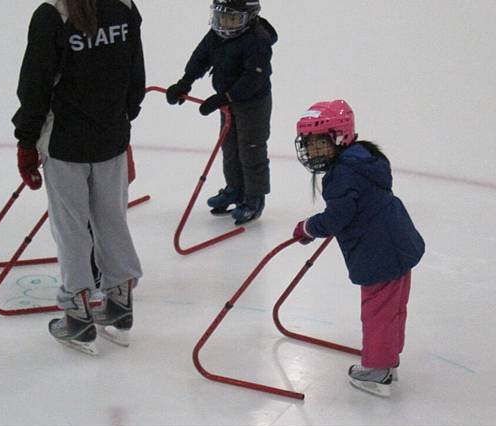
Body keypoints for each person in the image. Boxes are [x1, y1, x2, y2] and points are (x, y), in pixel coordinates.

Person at [12, 0, 145, 354]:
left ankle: (78, 315)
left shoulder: (52, 15)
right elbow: (136, 75)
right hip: (111, 138)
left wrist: (26, 141)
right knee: (112, 220)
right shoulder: (124, 7)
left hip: (66, 143)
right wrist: (121, 117)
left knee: (71, 228)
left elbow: (35, 86)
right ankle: (118, 306)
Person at [292, 100, 425, 397]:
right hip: (397, 241)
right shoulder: (364, 158)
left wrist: (308, 227)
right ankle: (387, 360)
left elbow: (338, 217)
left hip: (378, 251)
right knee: (392, 309)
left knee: (377, 311)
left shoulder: (342, 175)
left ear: (339, 138)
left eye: (318, 144)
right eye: (308, 144)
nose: (311, 152)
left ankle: (377, 371)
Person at [165, 0, 277, 225]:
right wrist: (185, 82)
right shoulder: (216, 36)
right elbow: (200, 58)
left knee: (251, 148)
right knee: (229, 146)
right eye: (221, 17)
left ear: (249, 18)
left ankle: (254, 197)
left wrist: (224, 98)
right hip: (228, 102)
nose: (225, 24)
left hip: (252, 103)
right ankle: (235, 188)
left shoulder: (257, 40)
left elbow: (254, 78)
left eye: (232, 19)